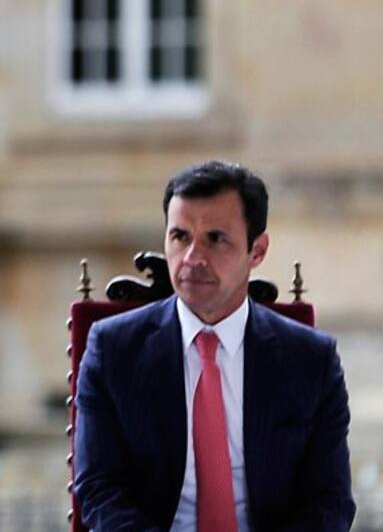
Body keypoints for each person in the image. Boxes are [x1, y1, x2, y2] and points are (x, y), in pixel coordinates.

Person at [73, 160, 355, 531]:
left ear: (257, 251)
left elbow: (329, 501)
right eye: (180, 236)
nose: (192, 258)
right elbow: (99, 489)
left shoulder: (311, 361)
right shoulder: (113, 350)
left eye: (215, 239)